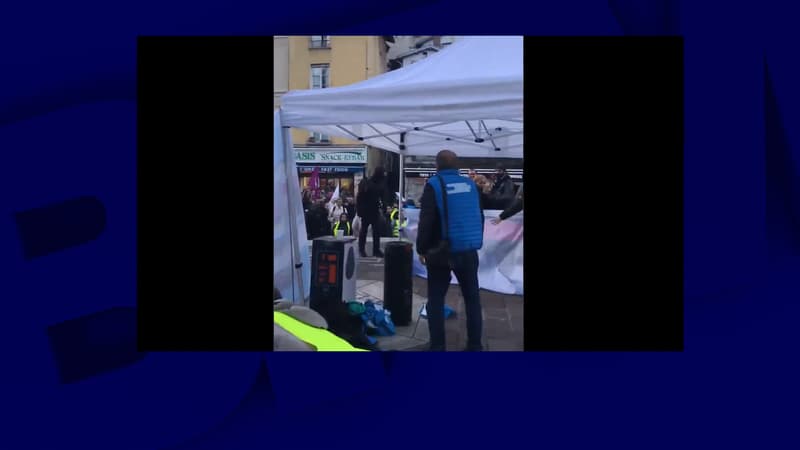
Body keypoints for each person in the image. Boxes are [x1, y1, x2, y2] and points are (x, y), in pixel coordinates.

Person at [417, 150, 484, 351]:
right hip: (469, 249)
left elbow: (426, 221)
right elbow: (478, 215)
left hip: (442, 251)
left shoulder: (434, 185)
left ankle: (438, 347)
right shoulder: (471, 185)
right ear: (457, 166)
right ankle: (474, 345)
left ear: (437, 166)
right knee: (472, 299)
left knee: (436, 300)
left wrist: (422, 249)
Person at [356, 166, 390, 258]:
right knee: (364, 230)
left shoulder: (380, 183)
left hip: (373, 209)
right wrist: (359, 210)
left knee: (376, 231)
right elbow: (360, 197)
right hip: (366, 210)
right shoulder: (367, 183)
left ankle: (376, 250)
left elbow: (383, 197)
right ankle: (362, 249)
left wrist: (384, 207)